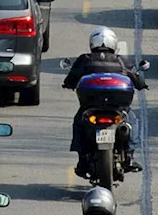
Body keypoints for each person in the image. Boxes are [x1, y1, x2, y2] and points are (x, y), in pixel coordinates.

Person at [63, 27, 147, 178]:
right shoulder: (121, 60)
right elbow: (138, 80)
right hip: (117, 105)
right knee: (132, 119)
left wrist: (68, 84)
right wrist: (141, 83)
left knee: (79, 121)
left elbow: (70, 79)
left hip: (90, 105)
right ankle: (130, 155)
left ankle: (82, 160)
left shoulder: (85, 59)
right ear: (113, 43)